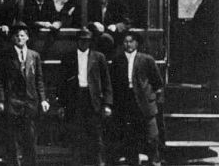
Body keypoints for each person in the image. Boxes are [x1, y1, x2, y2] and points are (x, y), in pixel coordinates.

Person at [0, 25, 49, 166]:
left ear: (27, 38)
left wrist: (43, 99)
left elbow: (39, 79)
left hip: (30, 102)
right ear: (13, 38)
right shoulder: (6, 55)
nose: (20, 38)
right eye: (17, 36)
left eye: (23, 35)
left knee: (30, 138)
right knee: (12, 139)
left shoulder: (34, 55)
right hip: (12, 101)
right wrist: (0, 100)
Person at [59, 29, 112, 166]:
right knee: (76, 134)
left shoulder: (99, 57)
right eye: (82, 40)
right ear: (77, 41)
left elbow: (106, 82)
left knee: (96, 135)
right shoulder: (68, 57)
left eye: (87, 40)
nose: (84, 43)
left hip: (93, 99)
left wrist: (107, 104)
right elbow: (62, 83)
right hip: (76, 98)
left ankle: (99, 163)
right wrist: (61, 105)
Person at [110, 32, 163, 166]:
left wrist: (154, 99)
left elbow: (157, 82)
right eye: (126, 42)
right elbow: (114, 82)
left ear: (136, 43)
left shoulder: (146, 59)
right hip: (127, 101)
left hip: (145, 101)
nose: (128, 44)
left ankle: (155, 161)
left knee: (152, 136)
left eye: (131, 41)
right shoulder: (118, 60)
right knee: (130, 136)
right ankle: (133, 162)